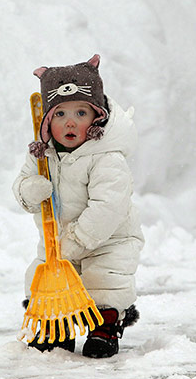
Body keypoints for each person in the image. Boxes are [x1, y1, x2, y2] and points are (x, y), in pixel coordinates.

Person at [13, 54, 144, 358]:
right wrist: (30, 190)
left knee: (105, 281)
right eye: (60, 115)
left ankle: (106, 327)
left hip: (108, 240)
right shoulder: (41, 154)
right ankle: (56, 325)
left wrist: (78, 240)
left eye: (81, 112)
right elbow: (20, 186)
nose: (69, 122)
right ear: (47, 119)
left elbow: (107, 208)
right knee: (40, 279)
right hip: (57, 240)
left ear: (97, 117)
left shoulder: (107, 158)